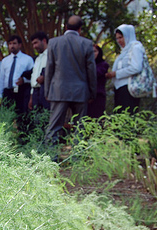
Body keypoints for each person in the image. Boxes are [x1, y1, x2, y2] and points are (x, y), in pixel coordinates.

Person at [43, 15, 96, 146]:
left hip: (59, 90)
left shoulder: (54, 42)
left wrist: (47, 91)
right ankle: (77, 159)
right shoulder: (87, 44)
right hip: (80, 91)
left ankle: (51, 159)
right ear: (80, 29)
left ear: (65, 27)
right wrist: (92, 92)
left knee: (54, 126)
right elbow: (91, 71)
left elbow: (49, 68)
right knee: (80, 127)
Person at [105, 24, 144, 114]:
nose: (119, 41)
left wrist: (116, 74)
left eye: (121, 37)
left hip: (129, 89)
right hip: (121, 89)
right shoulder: (125, 51)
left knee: (127, 117)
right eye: (117, 38)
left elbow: (136, 67)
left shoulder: (135, 48)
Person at [0, 35, 34, 123]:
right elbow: (2, 79)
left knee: (21, 117)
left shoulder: (27, 59)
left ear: (20, 45)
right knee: (6, 118)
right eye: (10, 44)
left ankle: (21, 135)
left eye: (14, 43)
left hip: (21, 91)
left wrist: (25, 81)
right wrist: (0, 95)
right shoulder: (5, 61)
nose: (12, 46)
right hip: (7, 92)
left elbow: (33, 76)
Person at [28, 31, 50, 112]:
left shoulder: (51, 55)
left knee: (47, 118)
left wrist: (45, 77)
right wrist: (31, 97)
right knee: (37, 120)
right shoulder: (37, 59)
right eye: (33, 44)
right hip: (35, 93)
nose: (34, 46)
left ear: (44, 41)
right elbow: (33, 78)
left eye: (36, 43)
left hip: (46, 92)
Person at [87, 45, 109, 118]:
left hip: (98, 96)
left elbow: (94, 74)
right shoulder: (85, 65)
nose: (93, 54)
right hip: (86, 97)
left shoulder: (103, 65)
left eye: (95, 51)